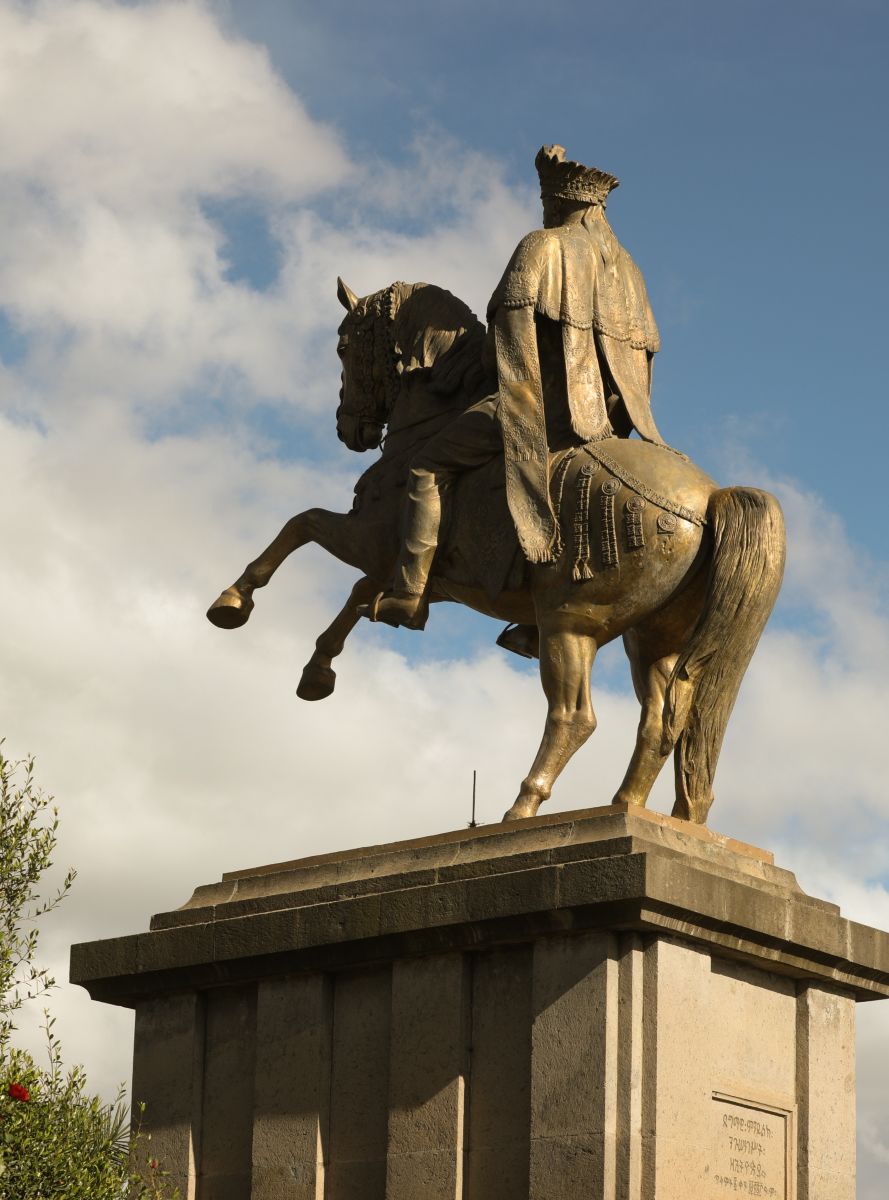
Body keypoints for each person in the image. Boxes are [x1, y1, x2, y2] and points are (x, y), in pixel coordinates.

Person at [361, 144, 664, 634]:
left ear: (558, 202)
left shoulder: (541, 246)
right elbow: (644, 360)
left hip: (536, 408)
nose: (545, 211)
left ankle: (409, 593)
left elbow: (506, 341)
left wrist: (468, 368)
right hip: (606, 422)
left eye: (547, 203)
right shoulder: (629, 272)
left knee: (426, 466)